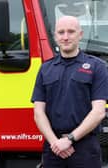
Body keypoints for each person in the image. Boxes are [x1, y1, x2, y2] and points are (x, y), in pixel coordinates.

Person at [31, 15, 108, 168]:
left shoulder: (97, 67)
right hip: (53, 148)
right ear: (55, 36)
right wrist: (56, 143)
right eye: (61, 32)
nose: (65, 37)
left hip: (85, 148)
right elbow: (38, 113)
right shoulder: (45, 68)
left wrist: (70, 139)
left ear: (80, 35)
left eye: (71, 32)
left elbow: (99, 112)